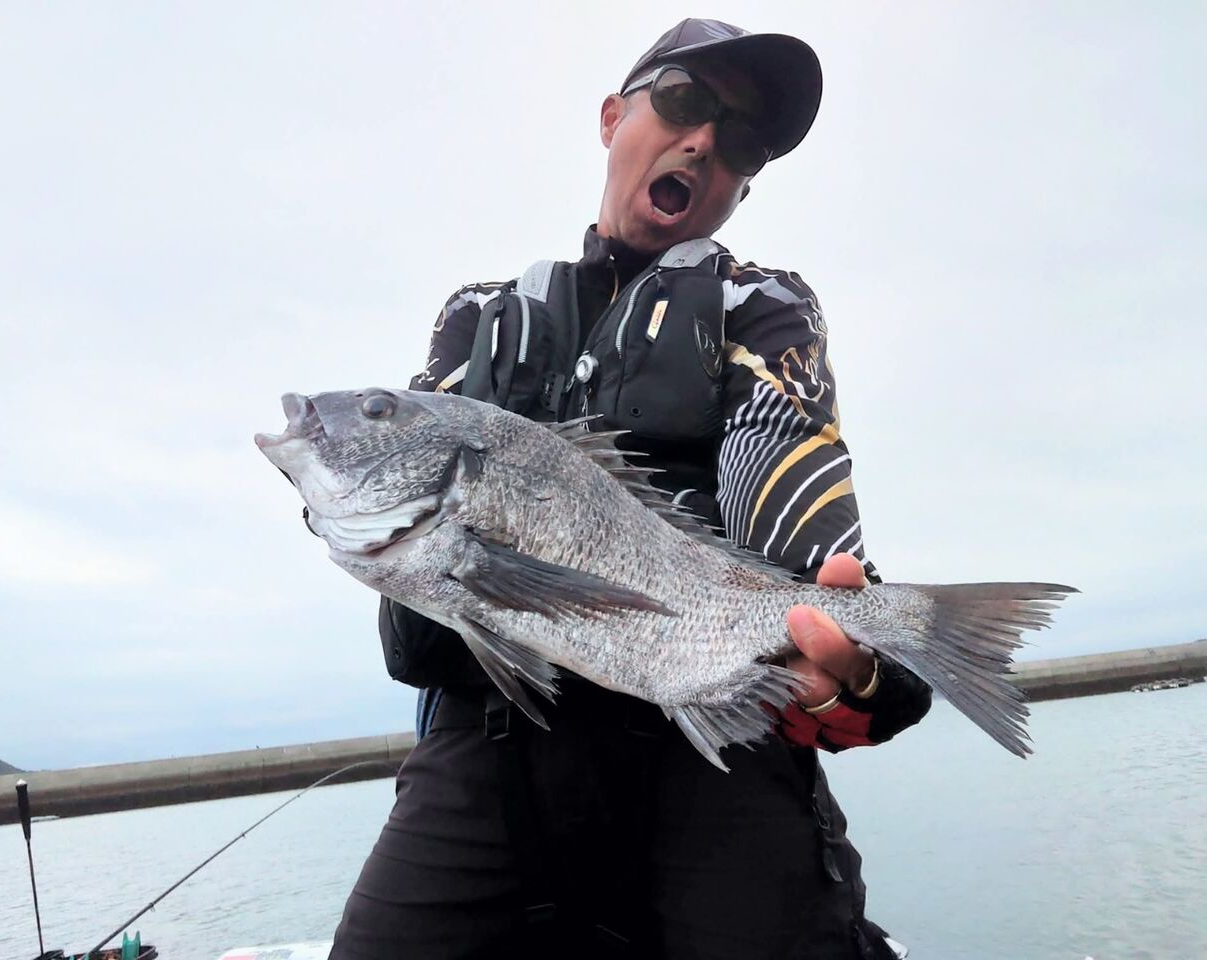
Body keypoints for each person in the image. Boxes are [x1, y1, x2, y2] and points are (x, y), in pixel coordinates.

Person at [330, 19, 932, 960]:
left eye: (741, 142)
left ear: (739, 184)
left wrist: (860, 666)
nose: (705, 142)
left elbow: (792, 505)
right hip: (489, 740)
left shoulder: (763, 311)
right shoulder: (477, 318)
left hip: (711, 742)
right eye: (686, 102)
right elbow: (416, 598)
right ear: (614, 118)